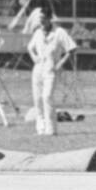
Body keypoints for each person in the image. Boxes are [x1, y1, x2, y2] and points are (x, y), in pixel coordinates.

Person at [27, 7, 76, 136]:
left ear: (49, 19)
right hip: (38, 68)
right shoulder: (38, 33)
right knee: (37, 99)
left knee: (47, 97)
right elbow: (30, 48)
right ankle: (40, 128)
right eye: (40, 19)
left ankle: (51, 129)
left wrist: (59, 64)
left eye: (44, 19)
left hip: (50, 69)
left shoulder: (59, 32)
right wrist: (34, 57)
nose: (41, 22)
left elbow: (71, 49)